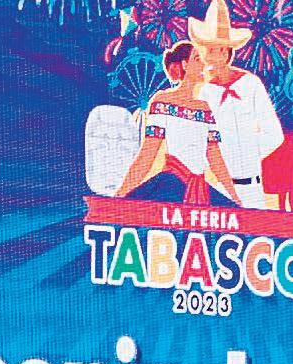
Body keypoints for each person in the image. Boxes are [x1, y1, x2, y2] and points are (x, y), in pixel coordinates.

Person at [115, 41, 241, 205]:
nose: (203, 64)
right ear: (184, 64)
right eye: (197, 59)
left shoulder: (204, 108)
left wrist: (234, 196)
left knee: (231, 211)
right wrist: (121, 193)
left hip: (199, 186)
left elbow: (214, 156)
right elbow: (148, 154)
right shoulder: (163, 101)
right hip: (171, 182)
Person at [190, 0, 284, 209]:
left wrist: (247, 151)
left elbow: (274, 134)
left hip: (252, 189)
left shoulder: (250, 84)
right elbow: (198, 141)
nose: (208, 57)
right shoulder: (202, 92)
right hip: (219, 188)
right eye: (206, 50)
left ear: (226, 52)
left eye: (214, 50)